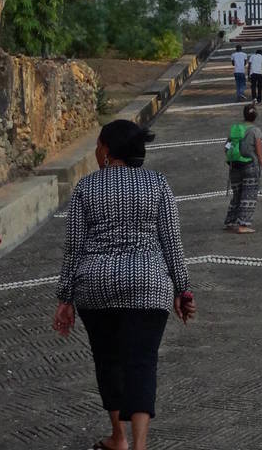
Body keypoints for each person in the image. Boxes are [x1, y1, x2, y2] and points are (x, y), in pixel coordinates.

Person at [53, 120, 196, 450]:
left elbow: (74, 246)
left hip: (96, 285)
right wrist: (183, 290)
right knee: (141, 363)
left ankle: (118, 438)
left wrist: (65, 298)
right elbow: (172, 242)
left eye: (98, 144)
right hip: (148, 283)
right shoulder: (157, 183)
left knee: (109, 362)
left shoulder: (86, 188)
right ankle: (140, 445)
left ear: (106, 149)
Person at [223, 104, 262, 234]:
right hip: (250, 166)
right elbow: (260, 154)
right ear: (255, 116)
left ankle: (230, 222)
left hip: (234, 166)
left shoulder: (235, 129)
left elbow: (226, 148)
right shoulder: (256, 131)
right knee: (248, 195)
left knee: (237, 195)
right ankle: (243, 224)